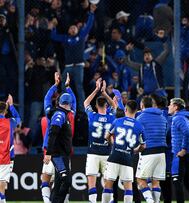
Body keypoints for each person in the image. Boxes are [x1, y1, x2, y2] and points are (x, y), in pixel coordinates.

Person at [48, 4, 96, 111]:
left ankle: (83, 110)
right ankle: (65, 106)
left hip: (78, 66)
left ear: (77, 30)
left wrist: (91, 13)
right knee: (64, 87)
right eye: (71, 28)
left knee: (79, 88)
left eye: (75, 28)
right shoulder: (66, 38)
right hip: (68, 66)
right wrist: (53, 28)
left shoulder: (81, 37)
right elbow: (54, 36)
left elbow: (88, 26)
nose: (73, 29)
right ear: (69, 31)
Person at [41, 72, 76, 203]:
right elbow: (53, 133)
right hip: (55, 152)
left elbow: (46, 99)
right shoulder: (66, 115)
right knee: (63, 179)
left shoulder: (50, 112)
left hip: (55, 151)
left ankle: (51, 200)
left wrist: (55, 86)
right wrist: (68, 87)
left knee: (55, 179)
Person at [101, 100, 145, 203]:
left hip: (114, 156)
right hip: (128, 158)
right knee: (128, 188)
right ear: (136, 111)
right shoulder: (140, 126)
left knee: (108, 185)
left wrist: (113, 144)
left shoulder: (117, 121)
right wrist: (135, 150)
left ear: (125, 109)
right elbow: (144, 145)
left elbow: (107, 136)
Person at [84, 78, 116, 203]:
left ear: (96, 106)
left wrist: (96, 90)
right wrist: (104, 93)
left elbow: (86, 103)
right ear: (106, 106)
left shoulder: (92, 116)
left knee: (92, 183)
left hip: (93, 153)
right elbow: (115, 105)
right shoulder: (111, 117)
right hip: (108, 154)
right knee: (108, 185)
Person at [136, 96, 167, 203]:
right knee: (155, 181)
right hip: (162, 152)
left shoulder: (140, 118)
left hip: (148, 151)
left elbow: (137, 135)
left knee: (140, 179)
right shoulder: (162, 117)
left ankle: (150, 201)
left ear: (142, 105)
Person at [168, 98, 189, 203]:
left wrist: (184, 149)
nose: (169, 106)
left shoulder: (178, 118)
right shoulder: (187, 118)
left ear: (176, 107)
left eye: (170, 104)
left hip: (180, 154)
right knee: (188, 182)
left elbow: (188, 133)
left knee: (177, 182)